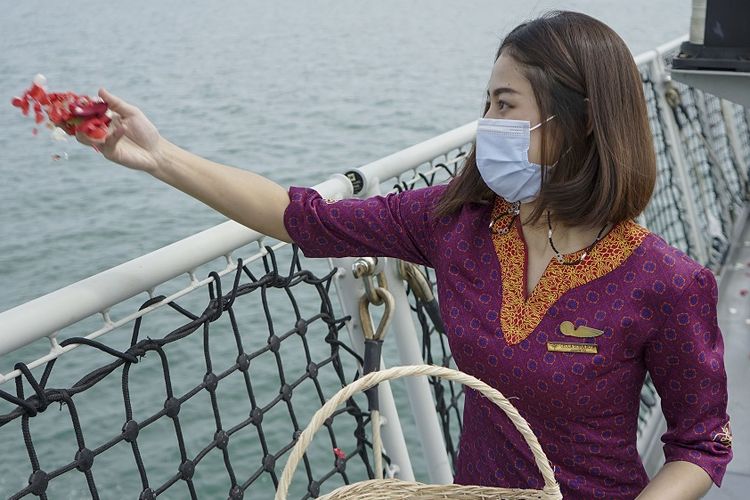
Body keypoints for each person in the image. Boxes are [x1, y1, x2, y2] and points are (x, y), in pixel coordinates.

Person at [78, 10, 732, 500]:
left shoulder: (668, 282)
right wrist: (159, 157)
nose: (487, 124)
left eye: (506, 105)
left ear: (582, 122)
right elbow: (303, 218)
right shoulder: (457, 223)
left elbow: (700, 447)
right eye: (486, 103)